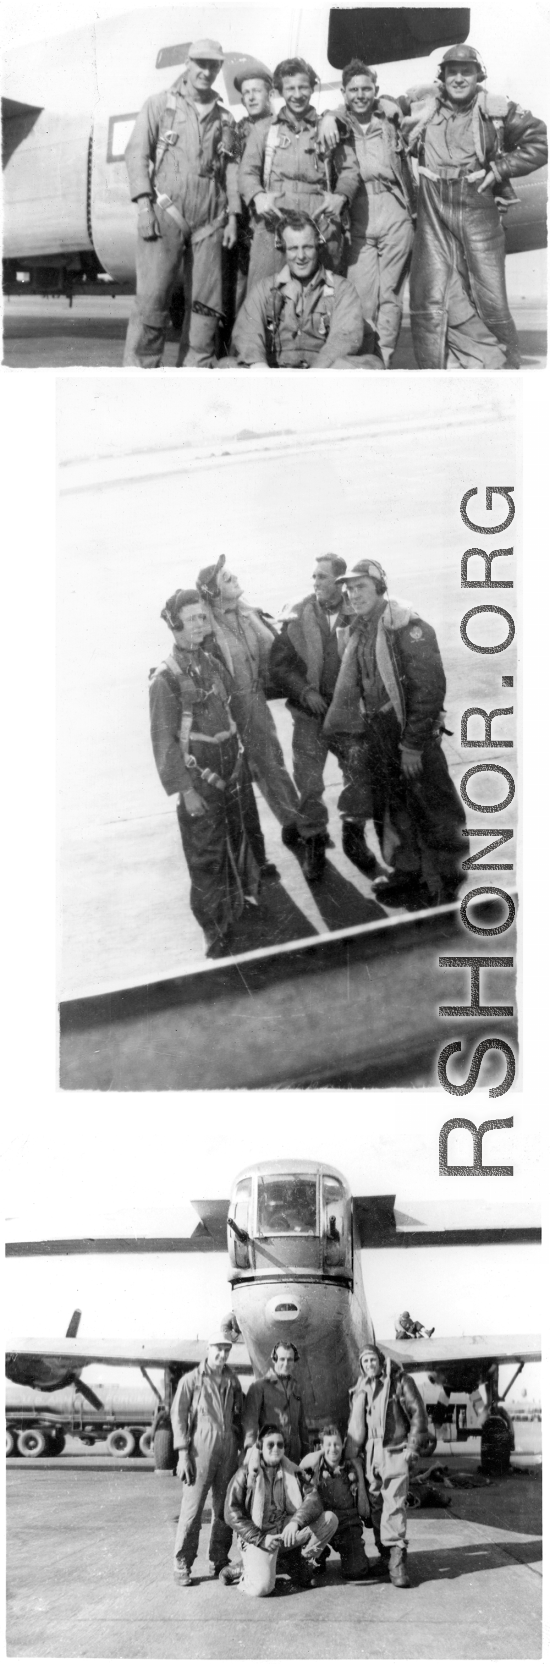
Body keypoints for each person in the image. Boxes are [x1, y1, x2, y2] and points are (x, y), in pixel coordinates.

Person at [324, 559, 468, 910]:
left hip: (409, 731)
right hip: (378, 731)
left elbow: (429, 691)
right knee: (391, 806)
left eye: (361, 587)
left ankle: (448, 879)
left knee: (433, 805)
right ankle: (408, 871)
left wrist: (414, 746)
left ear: (379, 588)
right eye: (349, 588)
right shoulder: (358, 629)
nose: (353, 594)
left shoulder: (408, 627)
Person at [405, 44, 548, 369]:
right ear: (442, 77)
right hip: (434, 208)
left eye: (465, 71)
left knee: (491, 300)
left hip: (477, 207)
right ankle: (437, 374)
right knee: (430, 296)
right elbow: (379, 110)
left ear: (477, 75)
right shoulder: (423, 107)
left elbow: (540, 142)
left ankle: (506, 375)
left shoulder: (496, 109)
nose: (458, 78)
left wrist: (499, 169)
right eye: (451, 71)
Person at [149, 588, 260, 958]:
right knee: (206, 855)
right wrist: (186, 790)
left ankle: (239, 906)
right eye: (193, 619)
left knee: (236, 838)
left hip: (231, 771)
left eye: (203, 617)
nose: (201, 624)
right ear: (175, 624)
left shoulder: (211, 663)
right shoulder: (165, 679)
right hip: (200, 780)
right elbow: (164, 744)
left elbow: (232, 712)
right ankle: (215, 930)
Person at [123, 39, 239, 367]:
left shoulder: (229, 119)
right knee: (152, 299)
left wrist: (233, 216)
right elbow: (136, 154)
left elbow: (234, 169)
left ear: (219, 68)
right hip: (165, 211)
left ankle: (195, 374)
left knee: (206, 305)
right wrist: (144, 206)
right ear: (187, 64)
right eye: (200, 63)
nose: (206, 71)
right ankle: (138, 376)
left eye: (213, 65)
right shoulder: (158, 104)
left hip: (212, 219)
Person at [269, 554, 380, 883]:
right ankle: (314, 840)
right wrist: (305, 692)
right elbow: (280, 665)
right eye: (314, 576)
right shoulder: (298, 613)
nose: (315, 582)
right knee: (308, 782)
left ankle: (353, 838)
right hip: (309, 715)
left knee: (358, 777)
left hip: (347, 716)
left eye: (322, 577)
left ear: (340, 581)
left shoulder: (358, 611)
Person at [196, 555, 305, 854]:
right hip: (229, 708)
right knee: (247, 771)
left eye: (233, 575)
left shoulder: (247, 613)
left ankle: (294, 820)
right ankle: (290, 825)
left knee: (269, 761)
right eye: (226, 579)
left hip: (253, 698)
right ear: (213, 593)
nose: (235, 580)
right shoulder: (207, 629)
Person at [319, 61, 415, 366]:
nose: (360, 95)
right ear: (344, 93)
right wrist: (328, 117)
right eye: (354, 90)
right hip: (359, 215)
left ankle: (383, 358)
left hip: (394, 212)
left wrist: (391, 102)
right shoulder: (338, 123)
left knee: (390, 294)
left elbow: (421, 98)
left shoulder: (389, 118)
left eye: (366, 89)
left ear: (375, 89)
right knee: (360, 295)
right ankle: (363, 357)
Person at [239, 57, 361, 293]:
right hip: (273, 222)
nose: (297, 94)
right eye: (290, 88)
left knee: (319, 298)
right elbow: (247, 172)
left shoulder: (327, 126)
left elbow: (349, 170)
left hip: (319, 222)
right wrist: (257, 197)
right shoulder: (264, 129)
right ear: (279, 91)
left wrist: (341, 197)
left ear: (312, 88)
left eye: (303, 87)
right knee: (265, 294)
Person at [229, 211, 381, 368]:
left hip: (322, 374)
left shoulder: (342, 289)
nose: (300, 256)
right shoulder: (264, 289)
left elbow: (345, 338)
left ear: (318, 246)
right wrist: (262, 370)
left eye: (307, 247)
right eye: (293, 248)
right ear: (283, 250)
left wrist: (313, 377)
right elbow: (247, 334)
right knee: (226, 366)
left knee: (373, 364)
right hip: (274, 374)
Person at [346, 1343, 429, 1587]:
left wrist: (413, 1447)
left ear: (381, 1361)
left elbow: (418, 1413)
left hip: (393, 1449)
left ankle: (397, 1562)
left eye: (373, 1360)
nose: (369, 1365)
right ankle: (385, 1555)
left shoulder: (400, 1381)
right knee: (376, 1505)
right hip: (371, 1452)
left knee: (394, 1503)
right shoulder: (360, 1388)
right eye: (365, 1362)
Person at [223, 1423, 338, 1595]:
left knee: (329, 1520)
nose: (275, 1448)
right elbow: (231, 1513)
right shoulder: (247, 1473)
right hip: (257, 1537)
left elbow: (313, 1498)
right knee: (262, 1589)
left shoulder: (291, 1471)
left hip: (284, 1532)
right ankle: (244, 1569)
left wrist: (295, 1523)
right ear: (261, 1448)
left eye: (280, 1444)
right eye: (270, 1444)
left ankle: (297, 1562)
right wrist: (261, 1539)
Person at [171, 1332, 243, 1585]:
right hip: (200, 1450)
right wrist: (182, 1454)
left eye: (226, 1350)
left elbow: (240, 1416)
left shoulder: (232, 1381)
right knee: (192, 1509)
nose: (222, 1355)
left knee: (224, 1509)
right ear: (208, 1349)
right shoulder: (191, 1380)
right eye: (218, 1350)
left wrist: (242, 1447)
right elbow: (178, 1417)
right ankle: (183, 1562)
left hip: (228, 1449)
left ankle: (219, 1559)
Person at [300, 1423, 371, 1580]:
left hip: (347, 1525)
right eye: (328, 1445)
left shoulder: (352, 1466)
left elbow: (364, 1511)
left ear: (343, 1443)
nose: (333, 1449)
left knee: (356, 1571)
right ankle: (318, 1556)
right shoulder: (315, 1464)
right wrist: (320, 1453)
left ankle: (352, 1555)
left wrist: (358, 1472)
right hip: (324, 1525)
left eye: (337, 1444)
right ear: (321, 1446)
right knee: (311, 1566)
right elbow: (300, 1466)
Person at [231, 61, 275, 317]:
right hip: (244, 221)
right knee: (239, 289)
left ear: (269, 93)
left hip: (269, 217)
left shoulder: (280, 125)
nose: (251, 97)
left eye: (256, 91)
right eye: (246, 93)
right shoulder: (238, 131)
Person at [242, 1343, 308, 1465]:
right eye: (282, 1359)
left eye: (290, 1360)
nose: (286, 1364)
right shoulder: (259, 1386)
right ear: (274, 1359)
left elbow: (302, 1424)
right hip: (269, 1452)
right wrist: (251, 1449)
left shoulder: (296, 1387)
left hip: (292, 1455)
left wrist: (306, 1454)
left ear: (294, 1362)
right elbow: (250, 1422)